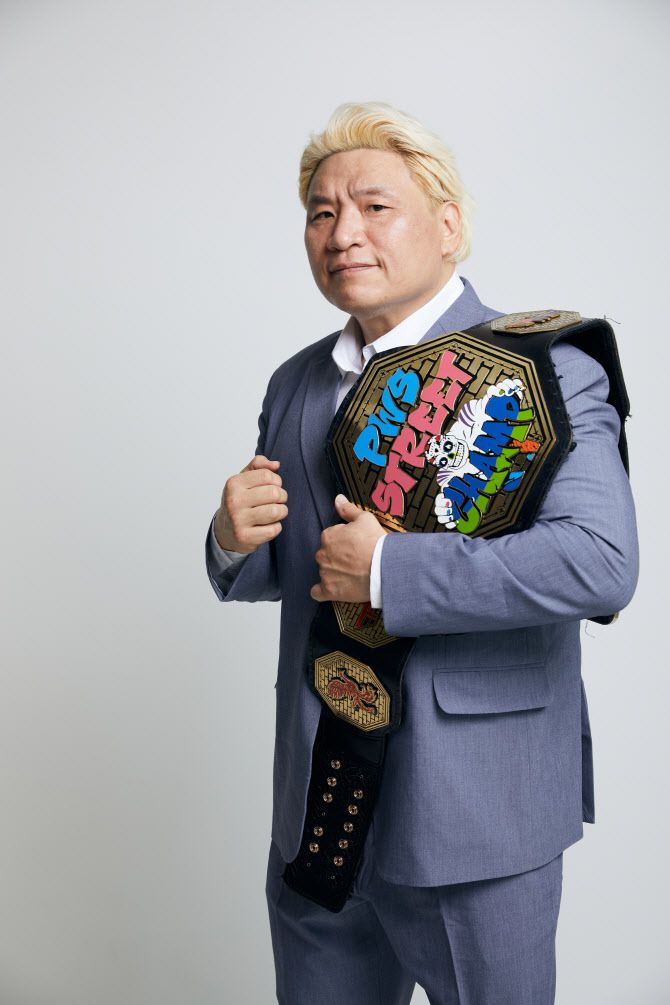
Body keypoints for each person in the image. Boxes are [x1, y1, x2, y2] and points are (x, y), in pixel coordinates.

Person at [204, 101, 639, 1005]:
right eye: (322, 213)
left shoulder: (547, 366)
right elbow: (303, 568)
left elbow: (600, 560)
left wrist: (391, 572)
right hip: (319, 806)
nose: (342, 233)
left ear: (448, 226)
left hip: (475, 814)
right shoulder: (296, 381)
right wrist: (231, 540)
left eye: (374, 206)